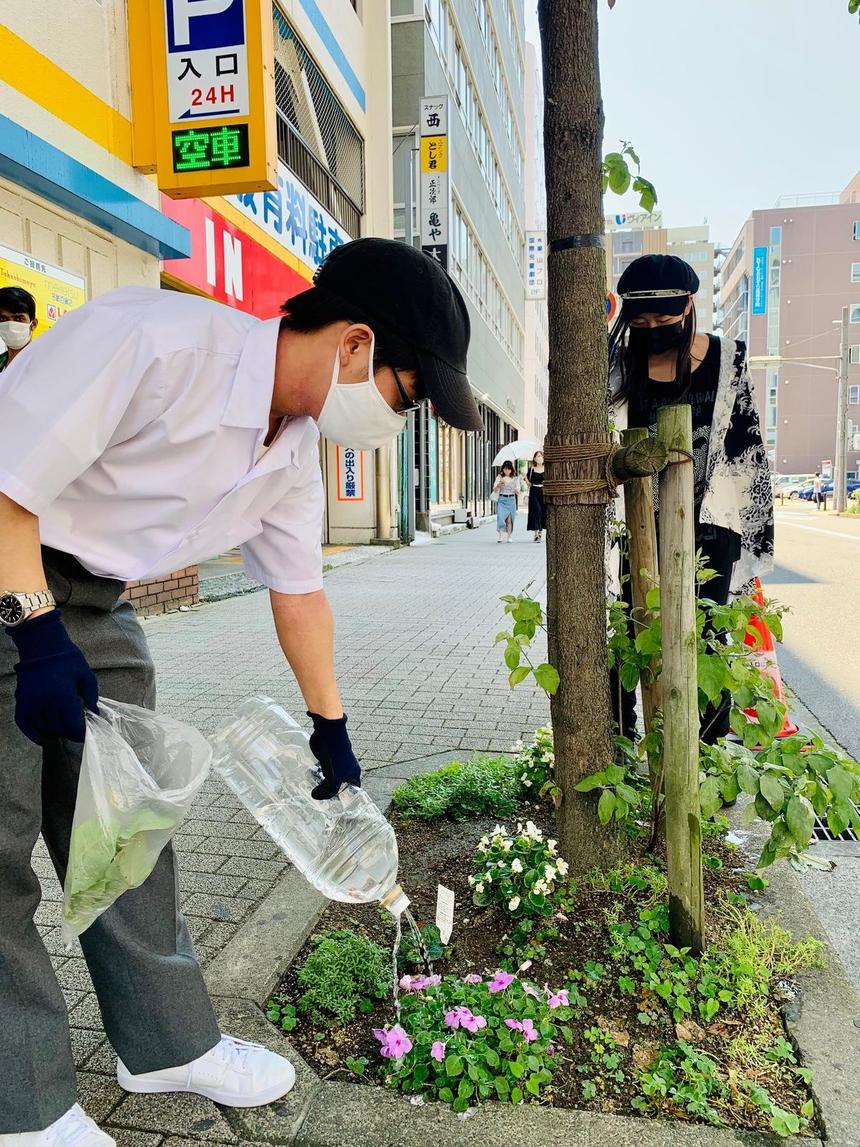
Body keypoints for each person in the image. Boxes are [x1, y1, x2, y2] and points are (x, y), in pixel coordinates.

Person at [0, 238, 481, 1144]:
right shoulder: (158, 343)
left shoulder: (292, 449)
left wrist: (330, 732)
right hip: (9, 562)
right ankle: (22, 1103)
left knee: (128, 829)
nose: (399, 419)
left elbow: (299, 591)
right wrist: (31, 630)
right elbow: (7, 481)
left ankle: (165, 1042)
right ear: (353, 345)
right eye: (407, 395)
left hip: (94, 602)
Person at [609, 254, 773, 742]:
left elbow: (747, 450)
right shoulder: (618, 365)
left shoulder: (728, 360)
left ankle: (708, 753)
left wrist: (749, 532)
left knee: (707, 638)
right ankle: (622, 740)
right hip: (637, 522)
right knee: (630, 627)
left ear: (689, 307)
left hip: (712, 525)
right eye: (640, 322)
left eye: (665, 319)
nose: (653, 329)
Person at [0, 285, 38, 371]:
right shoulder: (1, 362)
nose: (10, 325)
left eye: (18, 319)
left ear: (33, 324)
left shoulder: (44, 362)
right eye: (3, 319)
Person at [493, 460, 521, 543]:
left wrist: (515, 489)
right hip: (502, 499)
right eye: (505, 469)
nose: (507, 471)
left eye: (509, 469)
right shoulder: (499, 478)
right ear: (502, 469)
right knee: (501, 518)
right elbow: (494, 489)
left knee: (509, 520)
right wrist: (498, 485)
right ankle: (501, 536)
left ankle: (509, 536)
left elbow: (518, 492)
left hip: (511, 500)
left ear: (512, 470)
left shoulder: (515, 479)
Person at [525, 450, 546, 541]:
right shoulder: (531, 469)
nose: (539, 458)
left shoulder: (546, 469)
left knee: (542, 511)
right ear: (534, 458)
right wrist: (525, 479)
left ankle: (540, 532)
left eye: (540, 456)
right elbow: (529, 484)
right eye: (537, 456)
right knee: (536, 511)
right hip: (534, 491)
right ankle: (536, 534)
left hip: (543, 492)